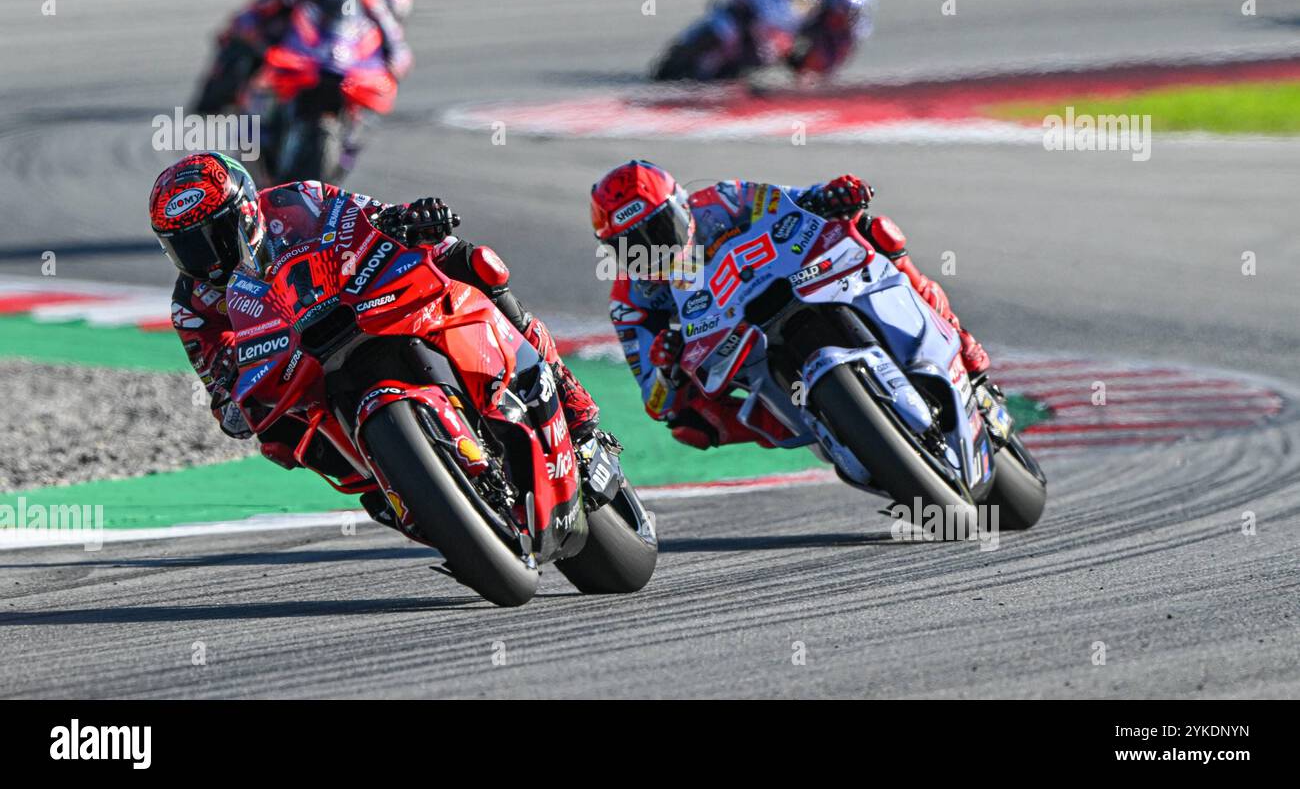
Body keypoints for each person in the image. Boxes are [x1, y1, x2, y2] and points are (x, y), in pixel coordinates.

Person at [149, 152, 598, 533]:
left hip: (358, 297)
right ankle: (384, 485)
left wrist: (410, 219)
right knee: (276, 437)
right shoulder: (193, 306)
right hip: (300, 359)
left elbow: (368, 216)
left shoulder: (299, 200)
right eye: (184, 247)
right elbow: (222, 392)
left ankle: (572, 407)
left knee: (469, 261)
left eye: (213, 237)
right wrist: (236, 393)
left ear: (245, 211)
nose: (204, 259)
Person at [589, 159, 988, 450]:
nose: (652, 249)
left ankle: (955, 333)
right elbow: (654, 401)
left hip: (790, 281)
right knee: (687, 423)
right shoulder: (631, 301)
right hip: (731, 345)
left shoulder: (721, 200)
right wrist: (665, 369)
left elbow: (792, 202)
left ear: (681, 206)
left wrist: (830, 195)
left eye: (658, 230)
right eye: (632, 244)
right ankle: (804, 426)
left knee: (873, 229)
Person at [195, 0, 412, 113]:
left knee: (372, 100)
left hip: (339, 61)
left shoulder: (369, 1)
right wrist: (252, 33)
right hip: (291, 50)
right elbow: (249, 17)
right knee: (239, 50)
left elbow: (395, 40)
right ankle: (222, 98)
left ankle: (350, 132)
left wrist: (396, 62)